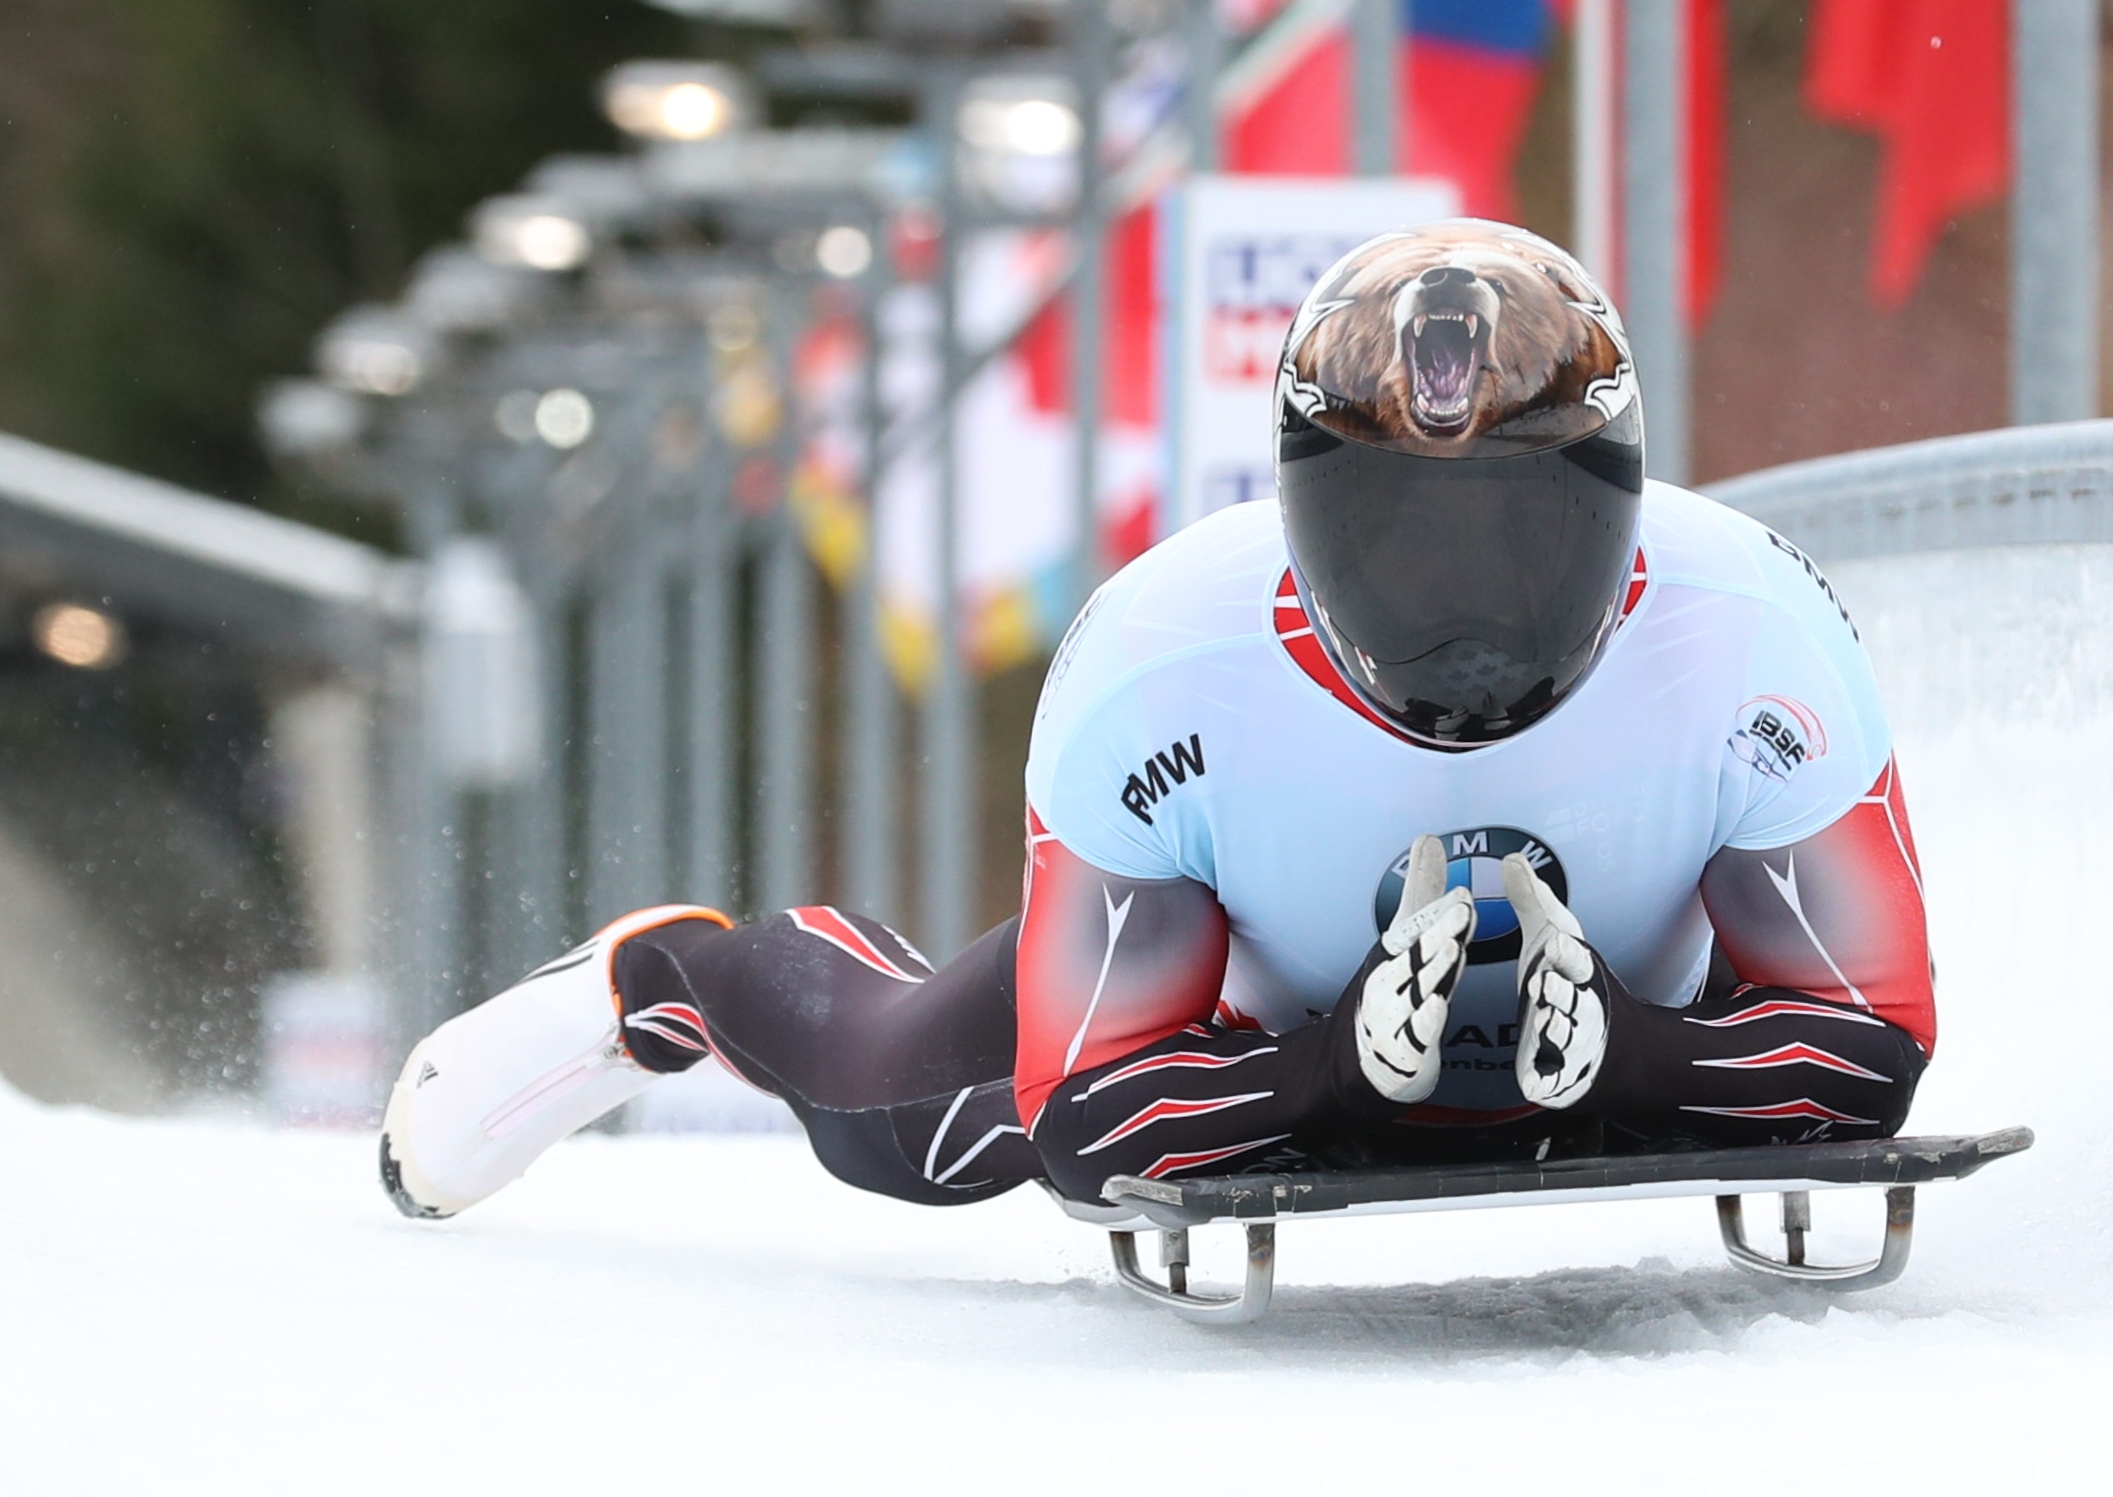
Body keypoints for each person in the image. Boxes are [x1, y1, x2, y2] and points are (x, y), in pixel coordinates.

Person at [378, 220, 1935, 1223]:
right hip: (1246, 976)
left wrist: (1622, 1059)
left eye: (1516, 536)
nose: (1464, 608)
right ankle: (667, 975)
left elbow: (1878, 1044)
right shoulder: (1157, 663)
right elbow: (1083, 1115)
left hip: (1604, 1000)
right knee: (901, 1121)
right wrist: (1327, 1070)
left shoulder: (1752, 628)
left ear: (1620, 513)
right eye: (1398, 538)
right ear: (1301, 523)